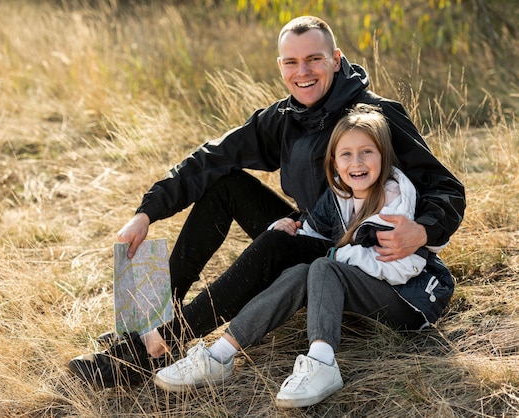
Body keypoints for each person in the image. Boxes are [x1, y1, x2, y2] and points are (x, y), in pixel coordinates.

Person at [68, 16, 465, 388]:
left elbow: (445, 187)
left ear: (336, 59)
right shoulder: (284, 118)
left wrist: (423, 230)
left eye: (314, 59)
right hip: (313, 231)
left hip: (363, 263)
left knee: (276, 244)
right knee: (226, 184)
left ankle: (150, 350)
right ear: (280, 66)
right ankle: (156, 319)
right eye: (292, 62)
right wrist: (147, 212)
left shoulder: (374, 118)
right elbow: (211, 158)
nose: (303, 72)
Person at [153, 104, 455, 408]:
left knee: (324, 267)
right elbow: (312, 233)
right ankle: (218, 356)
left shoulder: (395, 199)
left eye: (367, 152)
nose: (357, 162)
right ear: (335, 163)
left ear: (384, 157)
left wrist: (338, 256)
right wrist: (284, 229)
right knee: (301, 271)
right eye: (346, 154)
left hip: (407, 302)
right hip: (360, 292)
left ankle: (321, 364)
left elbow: (403, 268)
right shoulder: (340, 195)